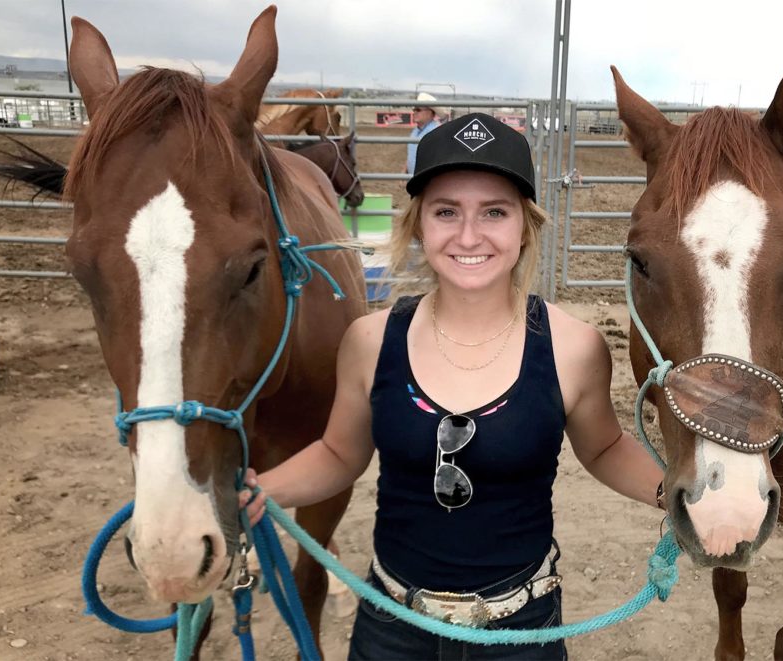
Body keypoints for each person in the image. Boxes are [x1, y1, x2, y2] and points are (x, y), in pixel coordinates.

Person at [240, 112, 665, 660]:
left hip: (520, 630)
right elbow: (337, 453)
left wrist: (678, 497)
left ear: (524, 225)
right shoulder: (369, 341)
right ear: (419, 224)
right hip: (392, 625)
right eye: (446, 212)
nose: (469, 236)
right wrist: (260, 490)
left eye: (494, 211)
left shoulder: (573, 347)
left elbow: (604, 448)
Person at [404, 92, 442, 175]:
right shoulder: (415, 131)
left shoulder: (436, 131)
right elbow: (411, 154)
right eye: (414, 109)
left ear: (430, 112)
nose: (414, 112)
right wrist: (404, 172)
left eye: (418, 110)